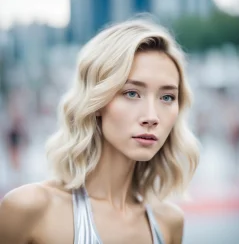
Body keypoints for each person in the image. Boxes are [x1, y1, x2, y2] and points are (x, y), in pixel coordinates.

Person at [0, 18, 199, 244]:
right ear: (97, 101)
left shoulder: (169, 223)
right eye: (132, 93)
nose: (152, 117)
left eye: (167, 97)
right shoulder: (31, 209)